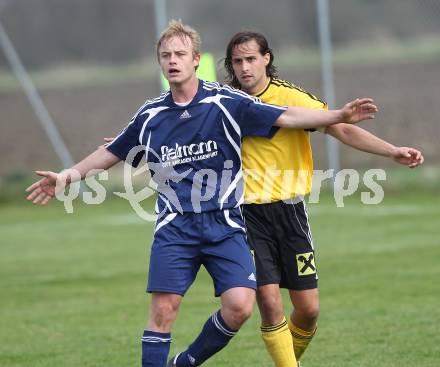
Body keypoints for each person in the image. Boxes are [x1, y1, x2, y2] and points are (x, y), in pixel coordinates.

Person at [25, 21, 378, 367]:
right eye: (166, 55)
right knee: (163, 310)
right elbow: (112, 152)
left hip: (224, 225)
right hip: (175, 228)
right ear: (160, 62)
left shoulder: (226, 101)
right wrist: (67, 177)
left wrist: (338, 114)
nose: (173, 60)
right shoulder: (150, 114)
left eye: (180, 53)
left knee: (240, 307)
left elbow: (286, 116)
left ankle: (186, 362)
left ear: (196, 59)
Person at [224, 31, 424, 367]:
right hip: (246, 215)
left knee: (309, 309)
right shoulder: (225, 101)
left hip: (290, 212)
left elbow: (340, 127)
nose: (244, 67)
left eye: (251, 59)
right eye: (237, 61)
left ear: (266, 58)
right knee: (270, 302)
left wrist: (392, 151)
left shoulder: (290, 97)